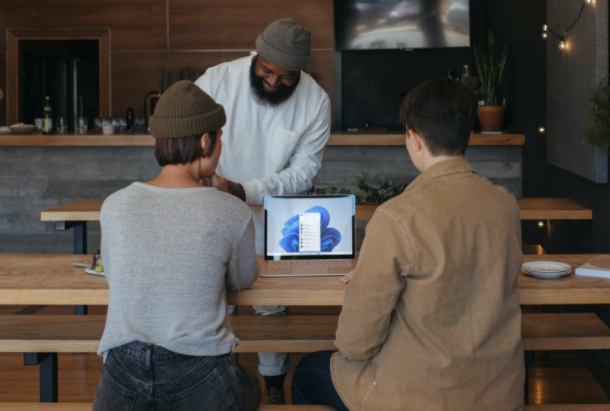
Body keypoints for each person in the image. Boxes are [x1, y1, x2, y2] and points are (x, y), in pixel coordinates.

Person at [291, 77, 525, 411]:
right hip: (499, 394)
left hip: (421, 398)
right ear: (469, 135)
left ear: (413, 138)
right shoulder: (505, 205)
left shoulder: (397, 217)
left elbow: (356, 344)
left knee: (306, 372)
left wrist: (370, 273)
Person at [93, 80, 261, 411]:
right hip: (199, 371)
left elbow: (115, 276)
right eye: (220, 139)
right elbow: (243, 280)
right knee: (251, 385)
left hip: (121, 374)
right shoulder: (231, 210)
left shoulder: (115, 205)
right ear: (204, 140)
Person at [195, 17, 332, 404]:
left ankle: (273, 384)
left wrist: (242, 189)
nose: (273, 82)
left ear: (301, 72)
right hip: (209, 209)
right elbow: (187, 137)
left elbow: (303, 172)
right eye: (266, 71)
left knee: (271, 305)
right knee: (211, 298)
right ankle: (215, 382)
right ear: (256, 55)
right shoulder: (217, 80)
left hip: (271, 216)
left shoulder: (316, 101)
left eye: (286, 78)